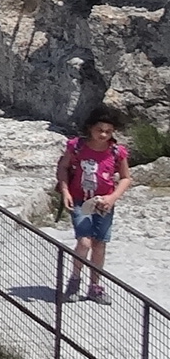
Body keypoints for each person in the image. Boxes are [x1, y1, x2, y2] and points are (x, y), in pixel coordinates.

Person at [58, 104, 132, 304]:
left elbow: (125, 178)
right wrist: (65, 191)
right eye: (100, 130)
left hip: (104, 203)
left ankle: (95, 286)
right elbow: (63, 167)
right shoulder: (77, 147)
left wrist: (112, 198)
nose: (103, 135)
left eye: (108, 131)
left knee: (99, 244)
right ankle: (75, 280)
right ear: (90, 128)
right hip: (80, 200)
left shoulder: (117, 152)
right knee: (84, 242)